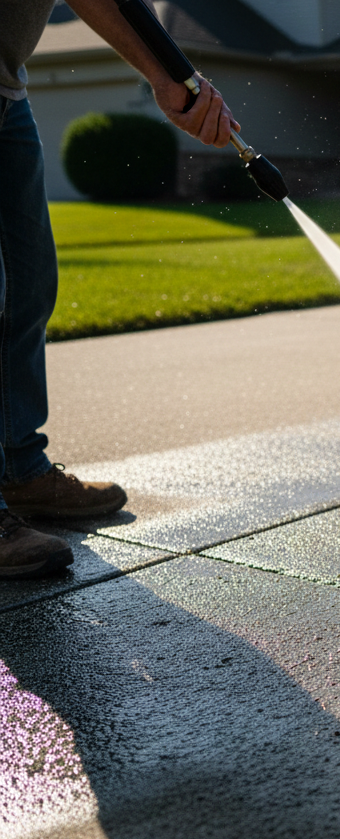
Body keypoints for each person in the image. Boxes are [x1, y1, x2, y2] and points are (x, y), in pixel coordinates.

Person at [0, 0, 238, 580]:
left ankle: (20, 468)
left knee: (30, 284)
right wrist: (166, 74)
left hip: (6, 93)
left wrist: (168, 74)